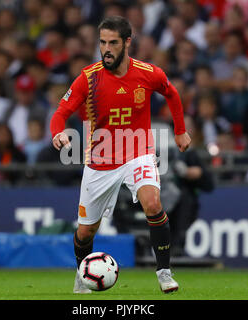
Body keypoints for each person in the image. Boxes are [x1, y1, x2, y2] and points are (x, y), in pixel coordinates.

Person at [50, 16, 191, 294]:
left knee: (152, 203)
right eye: (102, 42)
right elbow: (61, 112)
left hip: (138, 152)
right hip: (100, 162)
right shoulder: (88, 78)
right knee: (86, 232)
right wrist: (58, 132)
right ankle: (82, 274)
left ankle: (164, 272)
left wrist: (180, 130)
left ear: (127, 42)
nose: (107, 49)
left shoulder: (148, 73)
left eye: (113, 42)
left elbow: (172, 93)